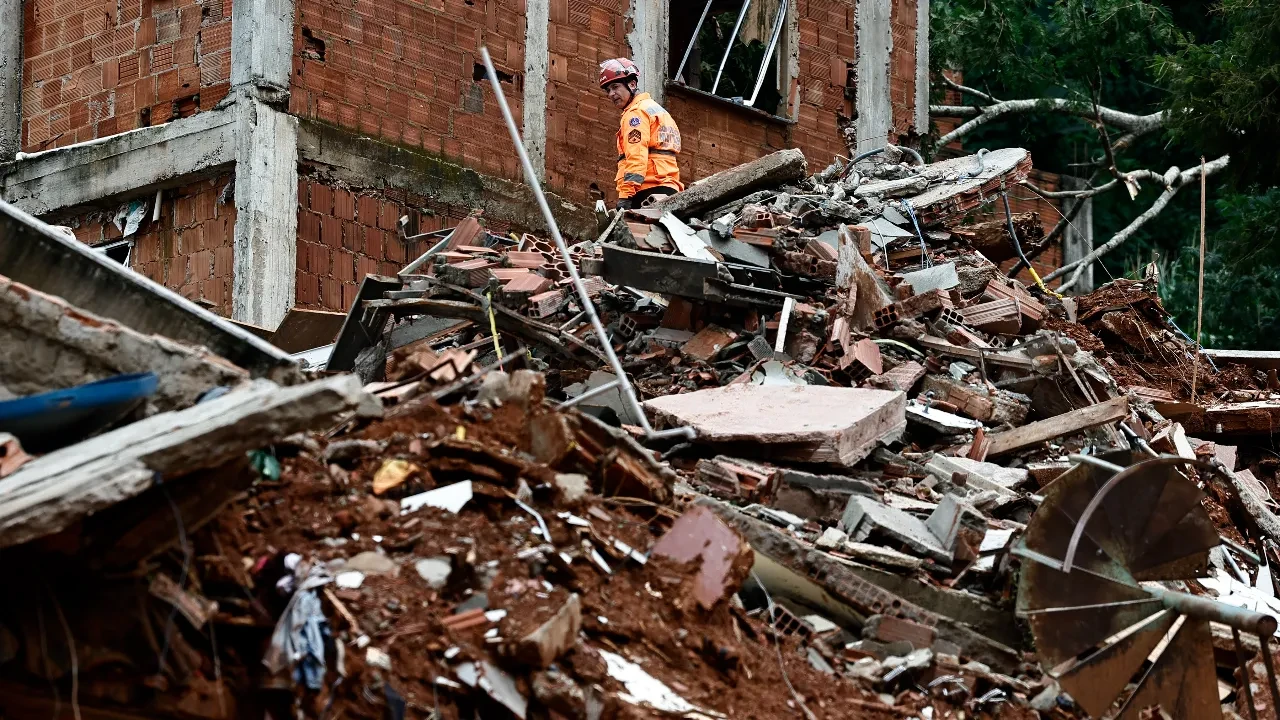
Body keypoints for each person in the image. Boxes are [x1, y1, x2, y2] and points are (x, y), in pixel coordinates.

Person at [599, 58, 684, 211]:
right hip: (669, 189)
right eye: (608, 90)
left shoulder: (635, 114)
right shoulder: (657, 110)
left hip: (647, 190)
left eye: (615, 87)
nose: (611, 94)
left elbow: (636, 157)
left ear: (632, 84)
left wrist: (626, 196)